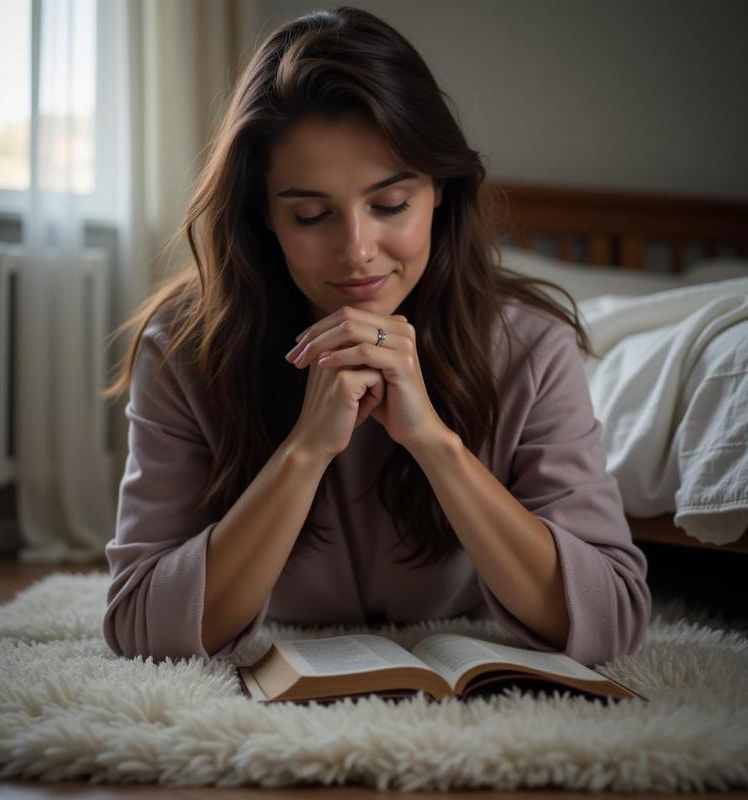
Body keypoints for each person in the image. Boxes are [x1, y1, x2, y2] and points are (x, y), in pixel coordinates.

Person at [101, 6, 651, 668]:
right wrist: (305, 451)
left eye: (390, 206)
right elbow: (137, 623)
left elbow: (614, 619)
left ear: (441, 191)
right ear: (262, 216)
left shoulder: (532, 348)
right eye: (311, 214)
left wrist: (435, 444)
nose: (357, 252)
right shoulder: (186, 349)